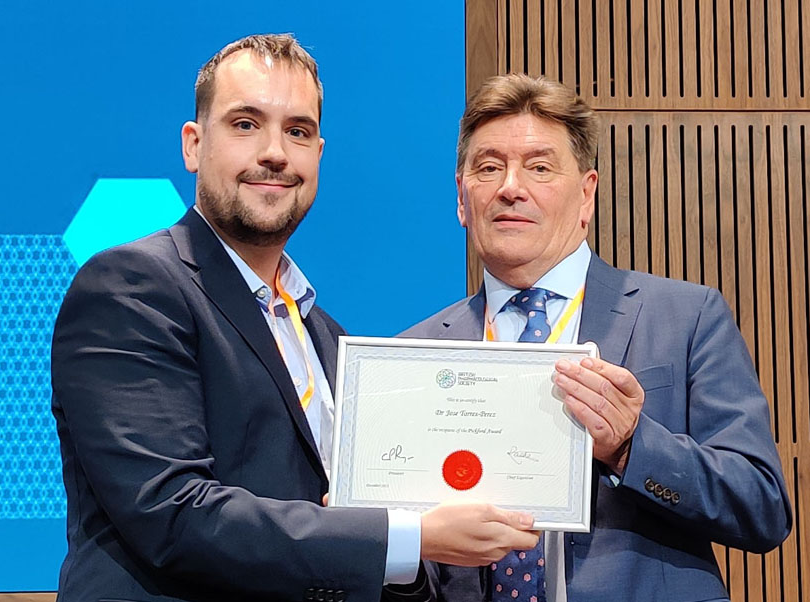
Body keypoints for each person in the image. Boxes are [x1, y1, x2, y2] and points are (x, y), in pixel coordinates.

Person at [50, 34, 539, 602]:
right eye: (245, 124)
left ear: (318, 156)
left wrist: (409, 560)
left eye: (298, 132)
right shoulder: (132, 288)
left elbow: (345, 538)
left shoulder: (327, 336)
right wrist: (411, 536)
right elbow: (173, 513)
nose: (275, 153)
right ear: (193, 144)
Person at [402, 73, 792, 602]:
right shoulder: (420, 352)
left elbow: (762, 507)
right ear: (462, 198)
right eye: (488, 168)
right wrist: (390, 543)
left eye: (539, 167)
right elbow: (417, 575)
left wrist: (632, 445)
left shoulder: (687, 317)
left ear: (586, 195)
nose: (510, 187)